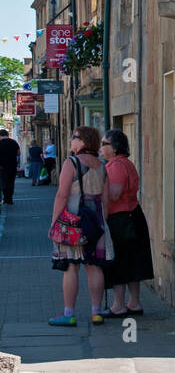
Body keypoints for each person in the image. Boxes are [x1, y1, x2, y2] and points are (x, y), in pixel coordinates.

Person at [48, 126, 113, 327]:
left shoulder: (72, 162)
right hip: (96, 221)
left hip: (74, 222)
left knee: (71, 266)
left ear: (83, 141)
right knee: (94, 267)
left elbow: (62, 194)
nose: (71, 141)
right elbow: (106, 199)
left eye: (74, 137)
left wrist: (54, 221)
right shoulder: (102, 165)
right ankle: (96, 312)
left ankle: (69, 313)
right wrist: (102, 222)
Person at [100, 129, 153, 316]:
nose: (101, 148)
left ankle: (118, 306)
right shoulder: (126, 163)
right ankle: (134, 303)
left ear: (114, 148)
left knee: (120, 261)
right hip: (133, 215)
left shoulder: (114, 166)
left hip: (120, 218)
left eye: (104, 144)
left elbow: (114, 194)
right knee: (133, 260)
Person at [0, 130, 20, 204]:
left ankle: (5, 199)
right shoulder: (14, 142)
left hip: (2, 166)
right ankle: (10, 199)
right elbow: (18, 153)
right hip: (12, 165)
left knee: (3, 182)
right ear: (7, 134)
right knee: (11, 182)